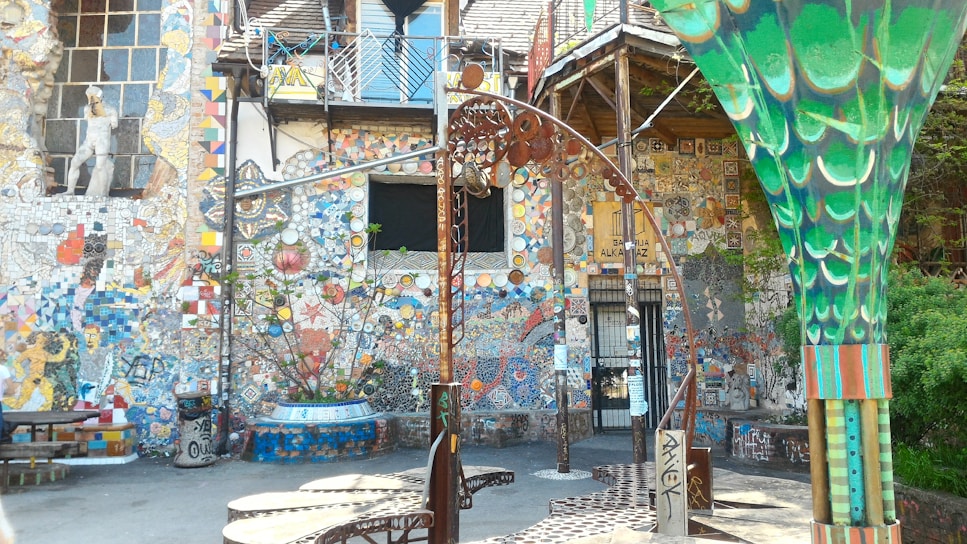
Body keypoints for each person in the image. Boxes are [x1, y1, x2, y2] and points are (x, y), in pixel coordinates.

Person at [65, 86, 118, 196]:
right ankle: (70, 191)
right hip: (88, 141)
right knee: (74, 162)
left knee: (100, 166)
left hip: (102, 141)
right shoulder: (87, 109)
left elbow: (114, 125)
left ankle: (104, 194)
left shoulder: (111, 110)